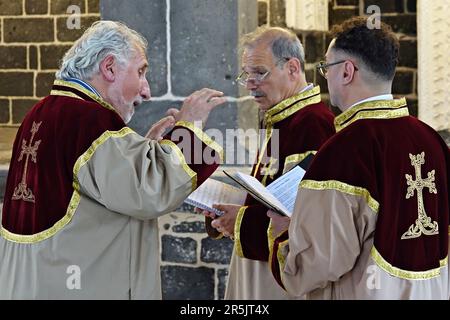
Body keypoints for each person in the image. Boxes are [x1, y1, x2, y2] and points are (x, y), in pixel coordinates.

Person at [0, 20, 226, 299]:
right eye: (141, 72)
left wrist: (145, 152)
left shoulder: (41, 112)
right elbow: (149, 191)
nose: (146, 91)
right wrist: (190, 127)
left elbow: (107, 188)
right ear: (109, 68)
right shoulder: (89, 121)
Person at [268, 17, 450, 299]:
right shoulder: (432, 140)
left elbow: (318, 263)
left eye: (326, 68)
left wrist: (283, 235)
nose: (325, 77)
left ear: (346, 72)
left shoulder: (346, 150)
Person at [200, 26, 335, 299]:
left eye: (259, 73)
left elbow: (307, 220)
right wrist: (232, 207)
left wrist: (240, 220)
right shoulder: (280, 118)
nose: (250, 83)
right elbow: (272, 194)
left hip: (278, 279)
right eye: (246, 74)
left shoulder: (313, 124)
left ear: (293, 68)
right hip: (259, 268)